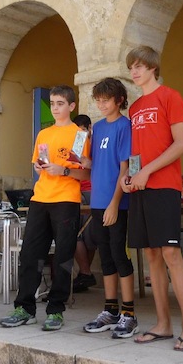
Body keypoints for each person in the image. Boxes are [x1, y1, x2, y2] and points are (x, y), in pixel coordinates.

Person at [121, 46, 183, 351]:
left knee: (170, 255)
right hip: (141, 187)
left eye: (140, 66)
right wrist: (131, 176)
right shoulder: (136, 107)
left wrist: (147, 172)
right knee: (151, 256)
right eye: (131, 68)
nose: (135, 72)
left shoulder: (171, 96)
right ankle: (164, 324)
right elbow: (139, 151)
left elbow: (181, 145)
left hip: (164, 187)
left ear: (153, 68)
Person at [0, 85, 90, 331]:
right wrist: (41, 168)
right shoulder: (43, 134)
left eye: (60, 103)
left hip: (66, 200)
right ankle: (24, 308)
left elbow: (86, 172)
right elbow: (38, 164)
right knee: (30, 255)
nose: (55, 107)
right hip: (40, 199)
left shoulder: (80, 134)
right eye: (52, 103)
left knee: (62, 257)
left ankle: (56, 310)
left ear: (71, 106)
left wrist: (65, 170)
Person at [81, 77, 138, 338]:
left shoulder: (125, 127)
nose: (101, 105)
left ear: (119, 101)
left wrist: (115, 203)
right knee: (105, 256)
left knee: (118, 254)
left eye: (106, 100)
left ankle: (129, 314)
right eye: (98, 101)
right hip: (97, 200)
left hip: (118, 203)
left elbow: (125, 169)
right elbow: (92, 164)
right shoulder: (98, 128)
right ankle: (110, 310)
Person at [72, 114, 97, 292]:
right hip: (79, 190)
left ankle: (85, 273)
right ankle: (85, 274)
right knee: (82, 235)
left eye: (82, 128)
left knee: (82, 235)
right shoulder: (79, 142)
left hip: (88, 191)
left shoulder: (90, 143)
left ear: (89, 128)